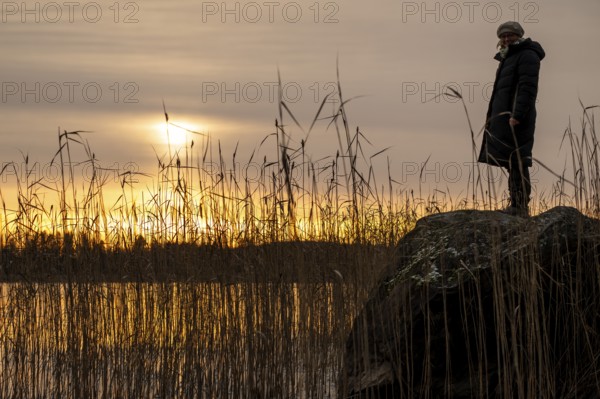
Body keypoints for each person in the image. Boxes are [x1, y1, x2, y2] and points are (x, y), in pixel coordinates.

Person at [478, 21, 545, 217]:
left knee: (518, 160)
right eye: (503, 36)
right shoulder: (509, 56)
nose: (507, 39)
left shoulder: (527, 55)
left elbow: (527, 87)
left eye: (511, 35)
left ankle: (520, 206)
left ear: (519, 36)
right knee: (511, 160)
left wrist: (517, 115)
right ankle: (516, 204)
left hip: (517, 118)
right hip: (506, 118)